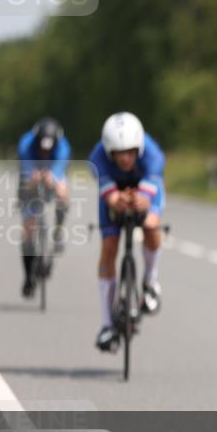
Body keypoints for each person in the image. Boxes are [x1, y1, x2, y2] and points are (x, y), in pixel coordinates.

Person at [88, 112, 166, 351]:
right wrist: (114, 198)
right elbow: (107, 190)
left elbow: (152, 183)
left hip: (146, 191)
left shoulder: (153, 155)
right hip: (114, 194)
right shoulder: (97, 157)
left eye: (131, 152)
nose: (125, 159)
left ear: (139, 148)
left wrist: (142, 199)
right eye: (119, 153)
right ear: (109, 150)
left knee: (151, 225)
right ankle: (106, 325)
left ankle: (150, 281)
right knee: (109, 247)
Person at [17, 117, 72, 297]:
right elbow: (26, 173)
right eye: (41, 148)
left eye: (49, 149)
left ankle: (59, 229)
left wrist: (52, 178)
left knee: (63, 191)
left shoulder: (63, 147)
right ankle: (28, 277)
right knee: (27, 229)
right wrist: (32, 179)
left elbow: (59, 169)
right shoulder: (25, 144)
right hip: (30, 175)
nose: (44, 152)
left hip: (52, 173)